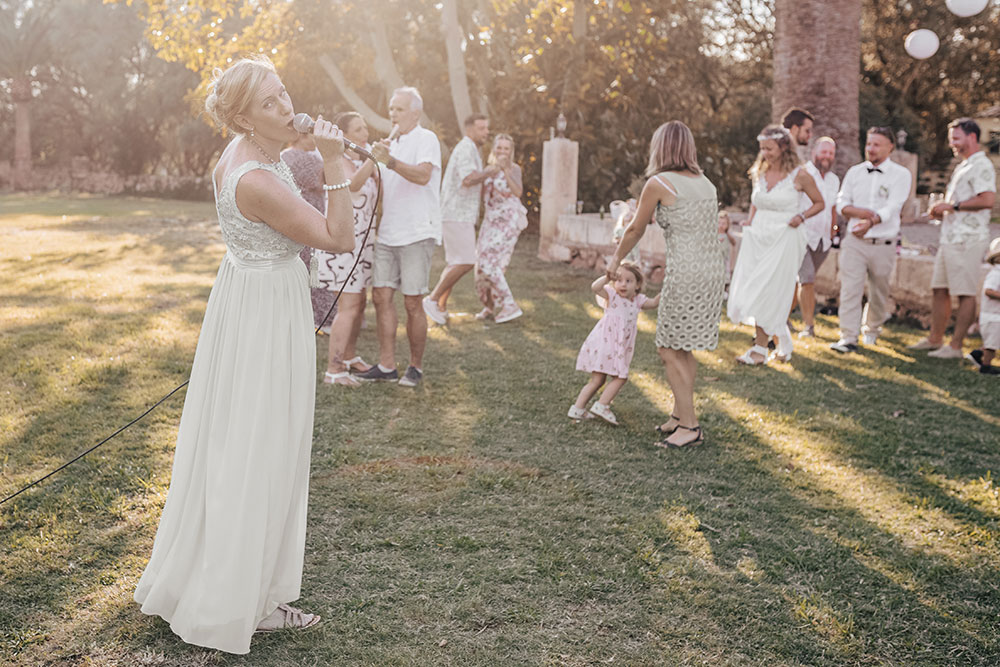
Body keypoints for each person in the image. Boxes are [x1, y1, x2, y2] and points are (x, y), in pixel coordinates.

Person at [134, 56, 355, 654]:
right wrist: (334, 161)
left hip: (248, 296)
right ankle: (243, 601)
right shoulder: (255, 177)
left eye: (285, 93)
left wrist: (347, 169)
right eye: (270, 104)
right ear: (241, 117)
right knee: (263, 447)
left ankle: (230, 582)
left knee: (237, 442)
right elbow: (336, 237)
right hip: (265, 308)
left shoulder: (247, 155)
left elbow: (308, 212)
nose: (287, 108)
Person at [608, 121, 725, 448]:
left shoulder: (658, 182)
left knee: (667, 347)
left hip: (686, 271)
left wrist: (615, 261)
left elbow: (634, 229)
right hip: (712, 271)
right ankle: (678, 414)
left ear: (660, 147)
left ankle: (690, 426)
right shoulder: (706, 183)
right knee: (682, 345)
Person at [360, 86, 442, 387]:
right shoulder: (390, 142)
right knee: (381, 297)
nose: (392, 114)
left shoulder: (426, 138)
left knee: (412, 302)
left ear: (415, 112)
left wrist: (390, 161)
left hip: (417, 231)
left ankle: (415, 368)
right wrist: (378, 157)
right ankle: (386, 365)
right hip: (389, 231)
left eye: (399, 109)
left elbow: (422, 176)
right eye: (391, 109)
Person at [727, 124, 824, 364]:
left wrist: (801, 217)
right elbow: (756, 201)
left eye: (769, 149)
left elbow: (819, 203)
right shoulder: (759, 171)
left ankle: (760, 350)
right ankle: (783, 342)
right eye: (762, 148)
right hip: (758, 236)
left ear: (783, 147)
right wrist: (749, 220)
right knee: (758, 287)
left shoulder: (800, 175)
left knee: (771, 290)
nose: (765, 153)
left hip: (785, 236)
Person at [911, 118, 997, 359]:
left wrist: (953, 206)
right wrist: (942, 209)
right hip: (950, 238)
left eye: (956, 139)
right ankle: (935, 338)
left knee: (964, 292)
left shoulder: (982, 165)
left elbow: (987, 199)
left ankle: (956, 346)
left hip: (967, 239)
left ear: (972, 137)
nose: (953, 145)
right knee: (939, 289)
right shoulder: (964, 165)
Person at [830, 126, 912, 353]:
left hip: (883, 243)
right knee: (849, 290)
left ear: (890, 147)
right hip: (854, 242)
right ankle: (848, 337)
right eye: (869, 144)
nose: (871, 149)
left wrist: (871, 221)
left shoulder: (901, 174)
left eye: (876, 144)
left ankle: (872, 330)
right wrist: (860, 214)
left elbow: (894, 206)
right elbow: (841, 203)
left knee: (879, 292)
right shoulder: (854, 172)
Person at [320, 111, 379, 386]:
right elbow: (352, 185)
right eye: (358, 129)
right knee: (348, 306)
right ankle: (334, 370)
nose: (364, 133)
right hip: (343, 245)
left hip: (363, 244)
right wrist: (373, 158)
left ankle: (349, 357)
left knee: (359, 303)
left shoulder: (359, 161)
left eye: (365, 127)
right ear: (344, 136)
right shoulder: (338, 162)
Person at [423, 114, 496, 324]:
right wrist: (489, 172)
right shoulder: (466, 148)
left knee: (456, 261)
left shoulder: (472, 148)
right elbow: (468, 178)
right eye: (481, 128)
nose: (486, 132)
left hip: (460, 213)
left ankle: (440, 306)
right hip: (456, 213)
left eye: (486, 128)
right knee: (465, 261)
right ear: (469, 129)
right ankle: (432, 298)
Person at [569, 263, 660, 425]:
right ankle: (602, 405)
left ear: (638, 285)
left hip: (617, 347)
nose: (623, 284)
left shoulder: (638, 301)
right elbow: (595, 287)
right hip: (606, 345)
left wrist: (665, 293)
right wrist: (607, 277)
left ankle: (577, 409)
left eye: (628, 281)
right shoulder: (612, 296)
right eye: (619, 280)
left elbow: (653, 303)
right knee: (620, 377)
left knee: (598, 380)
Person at [281, 131, 336, 332]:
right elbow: (325, 183)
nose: (315, 141)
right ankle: (322, 316)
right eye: (313, 136)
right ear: (301, 137)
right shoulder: (306, 159)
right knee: (314, 268)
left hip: (293, 217)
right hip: (311, 215)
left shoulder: (284, 155)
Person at [475, 133, 529, 323]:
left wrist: (505, 170)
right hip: (491, 220)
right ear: (494, 149)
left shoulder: (514, 169)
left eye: (506, 148)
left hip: (508, 219)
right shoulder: (489, 169)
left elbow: (518, 192)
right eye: (499, 147)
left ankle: (509, 304)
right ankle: (489, 306)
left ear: (511, 151)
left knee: (491, 262)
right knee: (480, 264)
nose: (502, 151)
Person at [793, 137, 840, 338]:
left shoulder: (834, 180)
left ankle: (782, 319)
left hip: (823, 240)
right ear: (814, 152)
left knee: (800, 282)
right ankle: (808, 327)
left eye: (830, 153)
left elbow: (832, 208)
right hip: (803, 236)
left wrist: (833, 229)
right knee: (807, 280)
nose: (827, 156)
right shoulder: (803, 174)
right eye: (824, 152)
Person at [966, 238, 1000, 375]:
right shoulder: (996, 274)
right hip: (992, 317)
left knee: (993, 341)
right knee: (992, 344)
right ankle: (986, 367)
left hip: (995, 316)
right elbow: (988, 291)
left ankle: (976, 354)